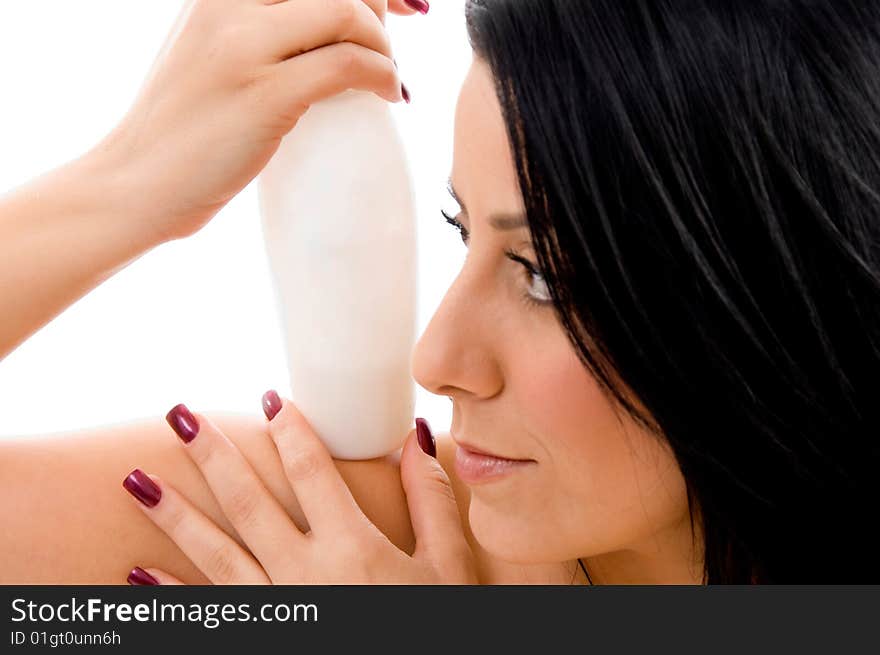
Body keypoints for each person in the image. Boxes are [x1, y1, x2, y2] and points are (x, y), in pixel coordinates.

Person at [1, 0, 878, 585]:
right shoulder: (364, 541)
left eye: (542, 277)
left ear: (771, 297)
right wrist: (125, 183)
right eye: (465, 231)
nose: (437, 360)